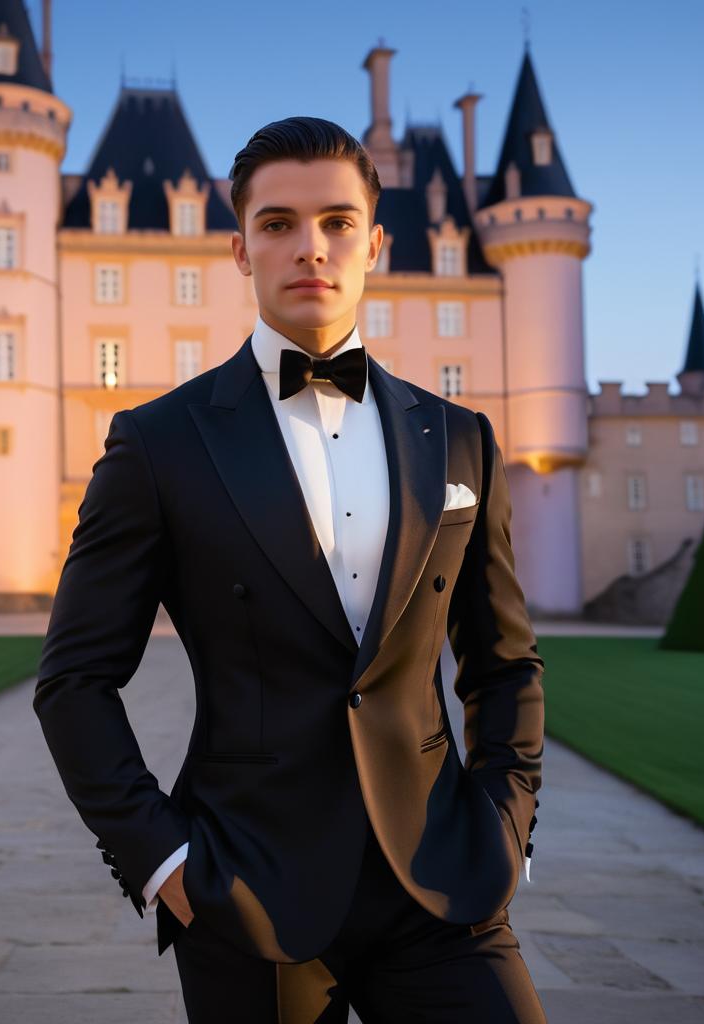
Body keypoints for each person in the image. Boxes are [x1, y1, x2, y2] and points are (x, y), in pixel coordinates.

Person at [33, 115, 547, 1023]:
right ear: (239, 248)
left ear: (376, 243)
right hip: (250, 889)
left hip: (442, 880)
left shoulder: (461, 438)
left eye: (338, 222)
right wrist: (165, 864)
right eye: (278, 224)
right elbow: (74, 681)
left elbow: (504, 662)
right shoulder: (158, 444)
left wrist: (507, 827)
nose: (310, 246)